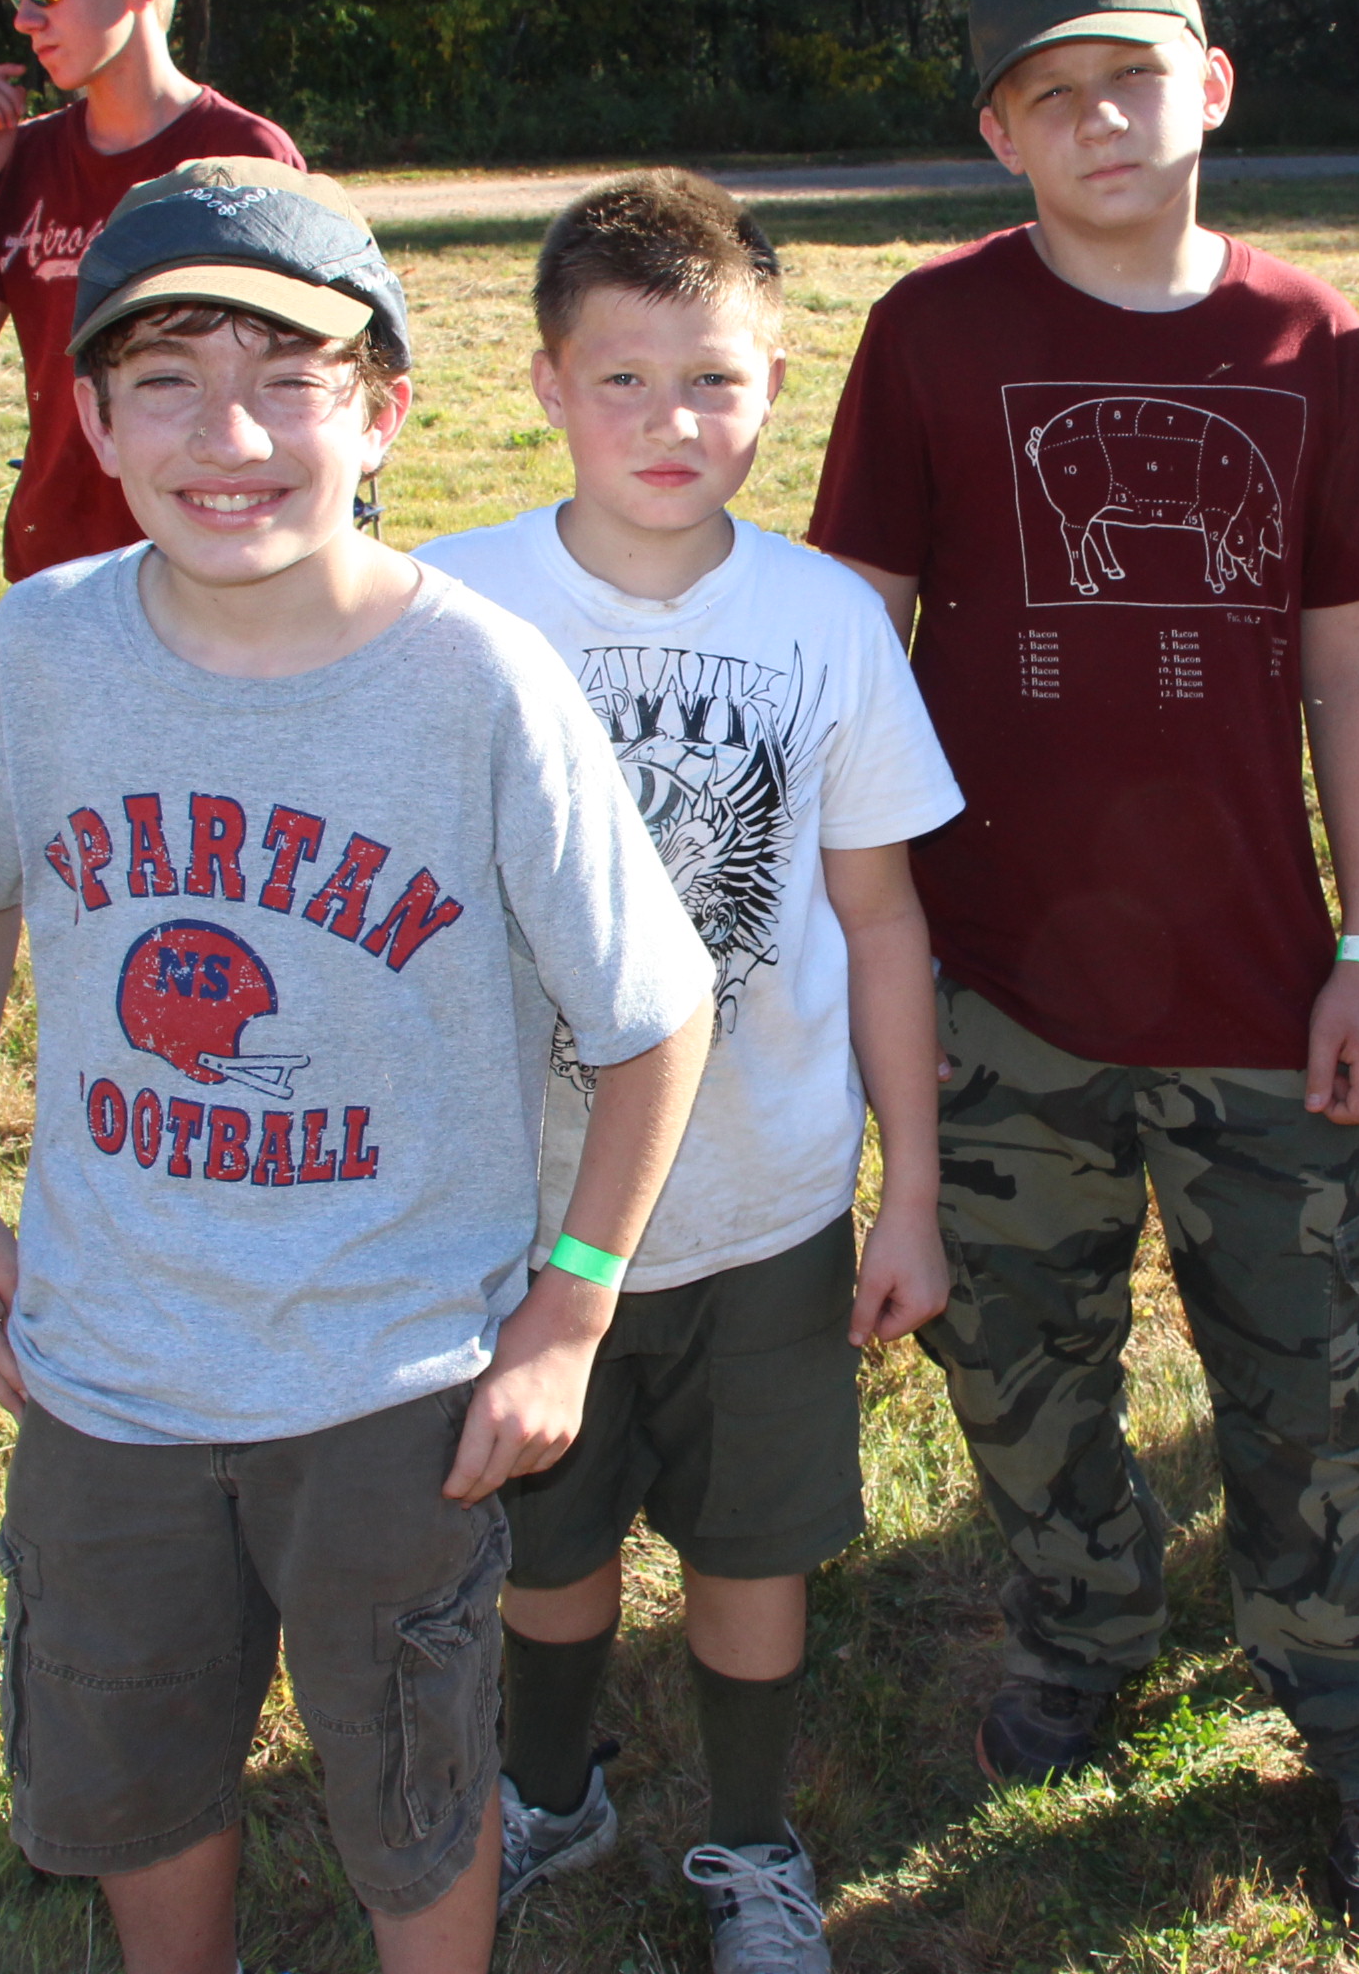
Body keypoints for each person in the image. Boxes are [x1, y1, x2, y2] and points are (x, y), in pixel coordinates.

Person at [0, 157, 715, 1974]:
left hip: (394, 1382)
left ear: (383, 413)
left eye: (290, 377)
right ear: (92, 420)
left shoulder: (477, 682)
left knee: (413, 1774)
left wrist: (572, 1305)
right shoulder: (40, 651)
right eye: (167, 379)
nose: (232, 434)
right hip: (108, 1362)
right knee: (134, 1754)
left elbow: (657, 1012)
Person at [806, 0, 1359, 1940]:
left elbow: (1352, 657)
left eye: (1133, 77)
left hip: (1256, 981)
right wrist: (853, 946)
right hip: (999, 982)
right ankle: (1085, 1629)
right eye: (1050, 94)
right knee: (1021, 1359)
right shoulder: (933, 333)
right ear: (997, 133)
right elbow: (857, 635)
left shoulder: (1306, 337)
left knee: (1312, 1370)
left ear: (1213, 88)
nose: (1099, 119)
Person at [423, 171, 964, 1972]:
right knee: (548, 1543)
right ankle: (548, 1785)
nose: (672, 422)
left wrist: (909, 1189)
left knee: (753, 1548)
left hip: (766, 1202)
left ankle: (748, 1839)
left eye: (714, 380)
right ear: (545, 383)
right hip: (524, 1210)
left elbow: (878, 918)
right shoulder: (453, 607)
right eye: (625, 379)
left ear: (776, 383)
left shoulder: (826, 620)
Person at [0, 0, 306, 583]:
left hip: (209, 554)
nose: (27, 19)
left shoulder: (244, 154)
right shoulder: (24, 158)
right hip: (58, 564)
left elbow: (295, 381)